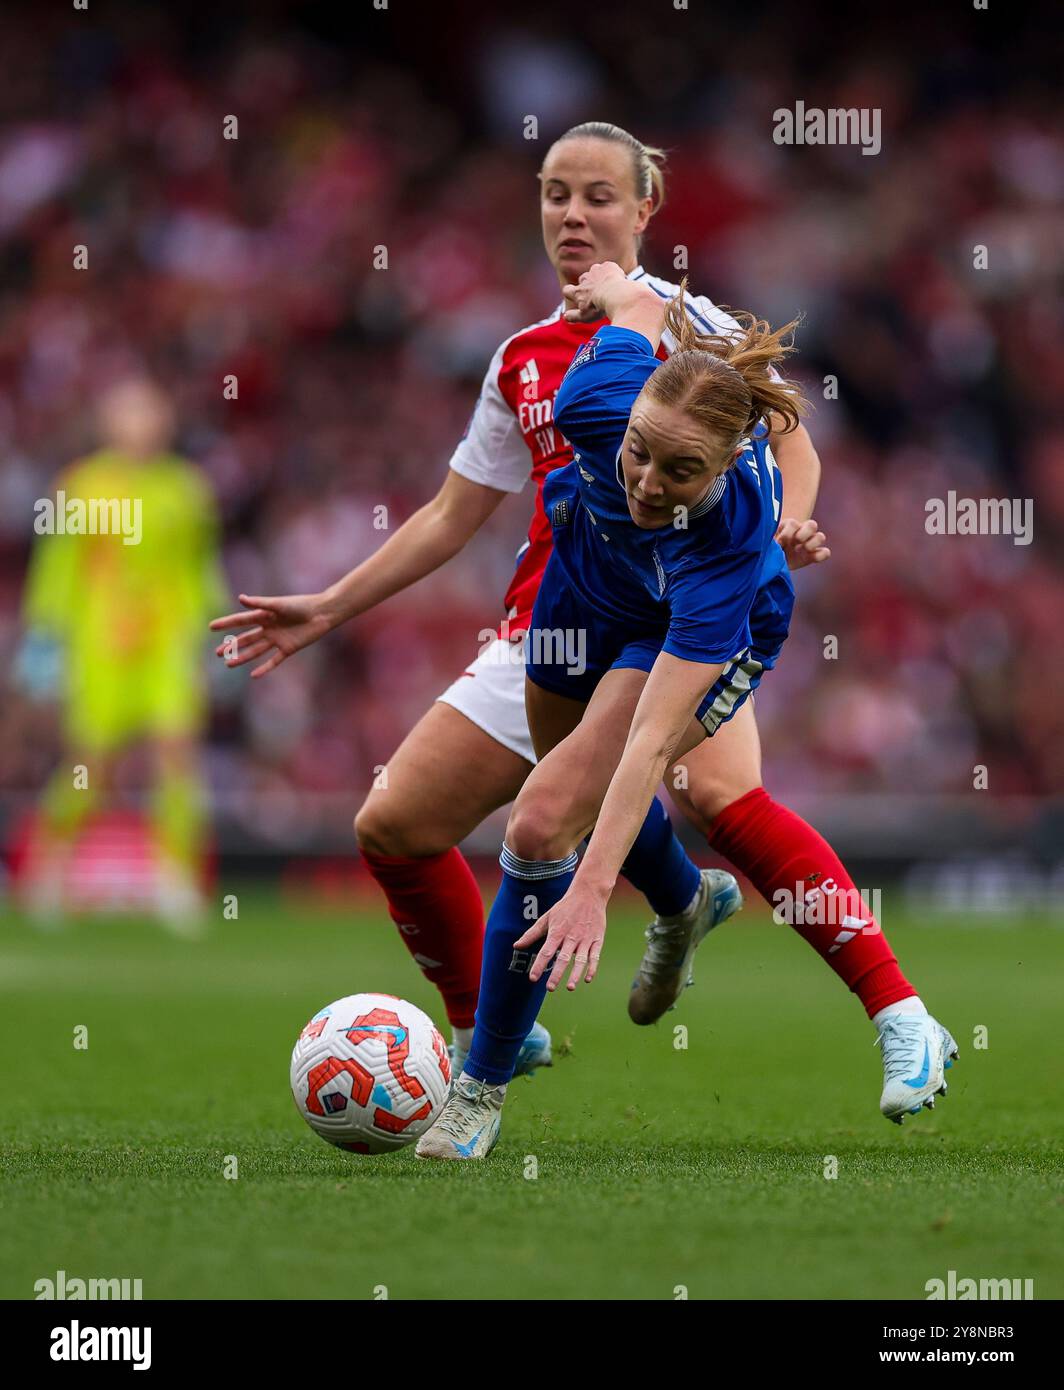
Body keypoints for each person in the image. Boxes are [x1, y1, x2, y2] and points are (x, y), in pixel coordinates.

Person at [210, 122, 942, 1120]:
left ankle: (896, 1011)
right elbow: (449, 514)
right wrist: (331, 605)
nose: (572, 214)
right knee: (394, 826)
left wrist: (779, 524)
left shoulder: (692, 327)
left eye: (597, 195)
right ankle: (514, 1009)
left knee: (715, 792)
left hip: (677, 620)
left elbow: (788, 440)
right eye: (555, 192)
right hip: (553, 628)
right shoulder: (519, 358)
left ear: (644, 210)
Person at [414, 263, 958, 1160]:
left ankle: (479, 1090)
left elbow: (651, 744)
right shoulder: (599, 394)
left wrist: (592, 893)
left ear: (721, 465)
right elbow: (633, 302)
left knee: (548, 818)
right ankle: (683, 898)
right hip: (581, 592)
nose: (648, 482)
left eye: (681, 470)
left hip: (682, 624)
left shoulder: (727, 549)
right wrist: (605, 286)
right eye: (639, 452)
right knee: (569, 815)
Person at [19, 377, 226, 923]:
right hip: (100, 644)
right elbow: (59, 566)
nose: (141, 425)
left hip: (166, 642)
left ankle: (175, 878)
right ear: (108, 424)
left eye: (150, 414)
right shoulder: (80, 486)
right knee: (92, 765)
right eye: (129, 414)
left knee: (177, 754)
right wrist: (45, 635)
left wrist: (215, 629)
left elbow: (199, 568)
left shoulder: (186, 489)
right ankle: (46, 869)